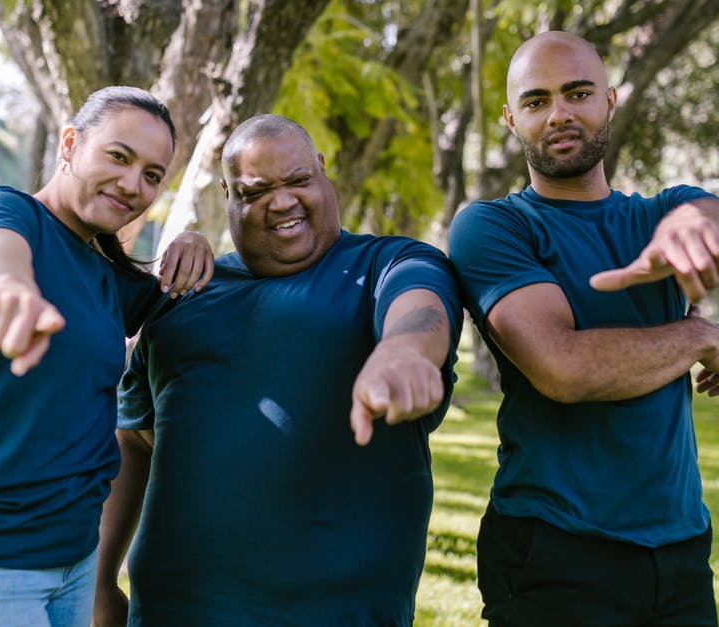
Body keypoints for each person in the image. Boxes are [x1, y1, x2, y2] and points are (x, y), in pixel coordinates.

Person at [92, 114, 463, 626]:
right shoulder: (183, 294)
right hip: (171, 609)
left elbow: (420, 302)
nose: (282, 201)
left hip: (335, 612)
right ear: (227, 194)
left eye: (298, 181)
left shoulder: (385, 262)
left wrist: (406, 352)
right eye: (256, 190)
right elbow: (134, 439)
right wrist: (100, 577)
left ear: (322, 169)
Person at [447, 31, 719, 626]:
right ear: (510, 119)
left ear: (610, 101)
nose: (559, 113)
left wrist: (702, 230)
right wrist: (699, 336)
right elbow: (565, 368)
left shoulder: (662, 212)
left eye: (578, 93)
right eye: (536, 101)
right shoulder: (492, 227)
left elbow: (718, 218)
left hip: (681, 547)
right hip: (555, 550)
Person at [0, 85, 214, 627]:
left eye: (153, 175)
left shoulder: (105, 274)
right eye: (118, 156)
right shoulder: (10, 211)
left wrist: (194, 241)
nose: (133, 185)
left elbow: (176, 291)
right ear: (70, 143)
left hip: (72, 560)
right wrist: (11, 288)